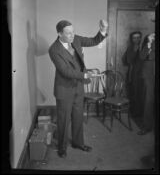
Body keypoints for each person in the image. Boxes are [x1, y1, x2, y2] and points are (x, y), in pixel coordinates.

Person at [48, 19, 108, 157]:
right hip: (64, 89)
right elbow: (65, 72)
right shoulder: (54, 49)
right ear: (59, 34)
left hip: (78, 87)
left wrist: (103, 30)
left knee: (78, 117)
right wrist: (86, 74)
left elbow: (94, 41)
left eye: (73, 31)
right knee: (63, 120)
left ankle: (78, 143)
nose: (72, 35)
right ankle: (62, 148)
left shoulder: (76, 40)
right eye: (68, 33)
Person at [137, 33, 155, 135]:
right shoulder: (148, 42)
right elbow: (142, 56)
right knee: (148, 101)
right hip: (148, 76)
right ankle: (147, 126)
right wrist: (149, 42)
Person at [122, 31, 143, 122]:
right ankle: (135, 113)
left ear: (140, 38)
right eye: (134, 38)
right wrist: (134, 50)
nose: (136, 39)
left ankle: (139, 113)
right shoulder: (131, 48)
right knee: (134, 94)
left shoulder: (144, 46)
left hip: (143, 75)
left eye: (138, 37)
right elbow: (127, 60)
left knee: (141, 94)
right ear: (132, 39)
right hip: (134, 74)